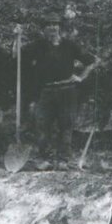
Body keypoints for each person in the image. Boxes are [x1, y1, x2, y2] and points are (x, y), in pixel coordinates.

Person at [30, 22, 100, 160]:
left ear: (59, 29)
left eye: (54, 25)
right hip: (46, 90)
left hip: (67, 90)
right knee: (42, 125)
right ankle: (45, 158)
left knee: (66, 125)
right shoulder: (38, 46)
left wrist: (81, 77)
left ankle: (64, 159)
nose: (51, 29)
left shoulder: (69, 46)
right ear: (44, 30)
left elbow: (93, 61)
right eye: (48, 26)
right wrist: (16, 36)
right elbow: (18, 56)